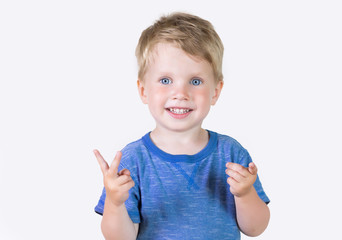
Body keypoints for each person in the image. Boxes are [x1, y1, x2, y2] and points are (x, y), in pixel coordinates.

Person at [94, 12, 270, 240]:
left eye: (195, 81)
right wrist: (115, 203)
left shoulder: (231, 153)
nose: (180, 94)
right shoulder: (133, 160)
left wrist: (245, 194)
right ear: (143, 91)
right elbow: (120, 238)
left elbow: (255, 229)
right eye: (165, 80)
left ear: (215, 92)